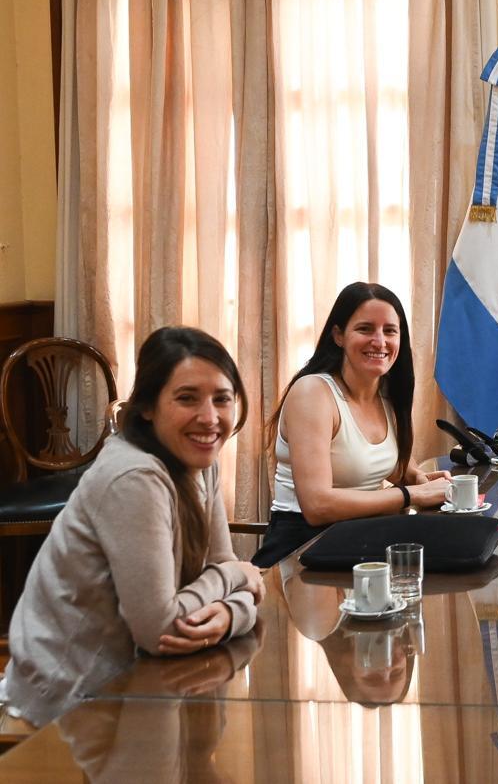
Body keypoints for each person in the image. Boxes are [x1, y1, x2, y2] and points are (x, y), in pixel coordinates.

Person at [0, 327, 265, 727]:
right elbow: (159, 629)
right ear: (147, 408)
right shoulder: (134, 477)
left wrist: (233, 614)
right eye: (187, 398)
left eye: (222, 399)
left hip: (136, 681)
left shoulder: (200, 457)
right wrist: (235, 577)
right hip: (70, 701)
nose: (210, 418)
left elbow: (225, 566)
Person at [252, 282, 451, 567]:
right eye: (365, 329)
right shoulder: (313, 392)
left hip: (361, 539)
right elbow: (317, 506)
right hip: (302, 549)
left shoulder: (385, 398)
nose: (380, 341)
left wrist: (419, 479)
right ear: (338, 335)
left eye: (390, 331)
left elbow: (393, 467)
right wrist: (410, 494)